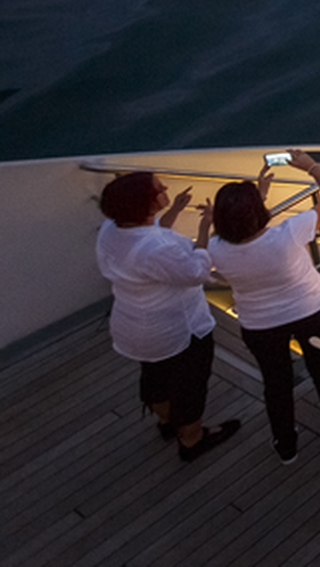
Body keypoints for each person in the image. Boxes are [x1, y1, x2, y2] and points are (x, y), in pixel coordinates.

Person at [208, 150, 320, 464]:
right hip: (309, 311)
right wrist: (312, 167)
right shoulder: (288, 233)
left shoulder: (216, 249)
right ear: (258, 212)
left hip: (259, 325)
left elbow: (224, 237)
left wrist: (255, 201)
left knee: (275, 382)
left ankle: (286, 444)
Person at [94, 172, 240, 463]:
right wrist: (205, 229)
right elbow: (195, 272)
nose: (165, 188)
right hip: (176, 330)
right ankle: (192, 439)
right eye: (158, 189)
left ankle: (166, 422)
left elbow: (151, 235)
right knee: (190, 384)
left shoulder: (111, 230)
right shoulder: (156, 250)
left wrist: (172, 210)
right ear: (144, 205)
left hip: (133, 325)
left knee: (155, 376)